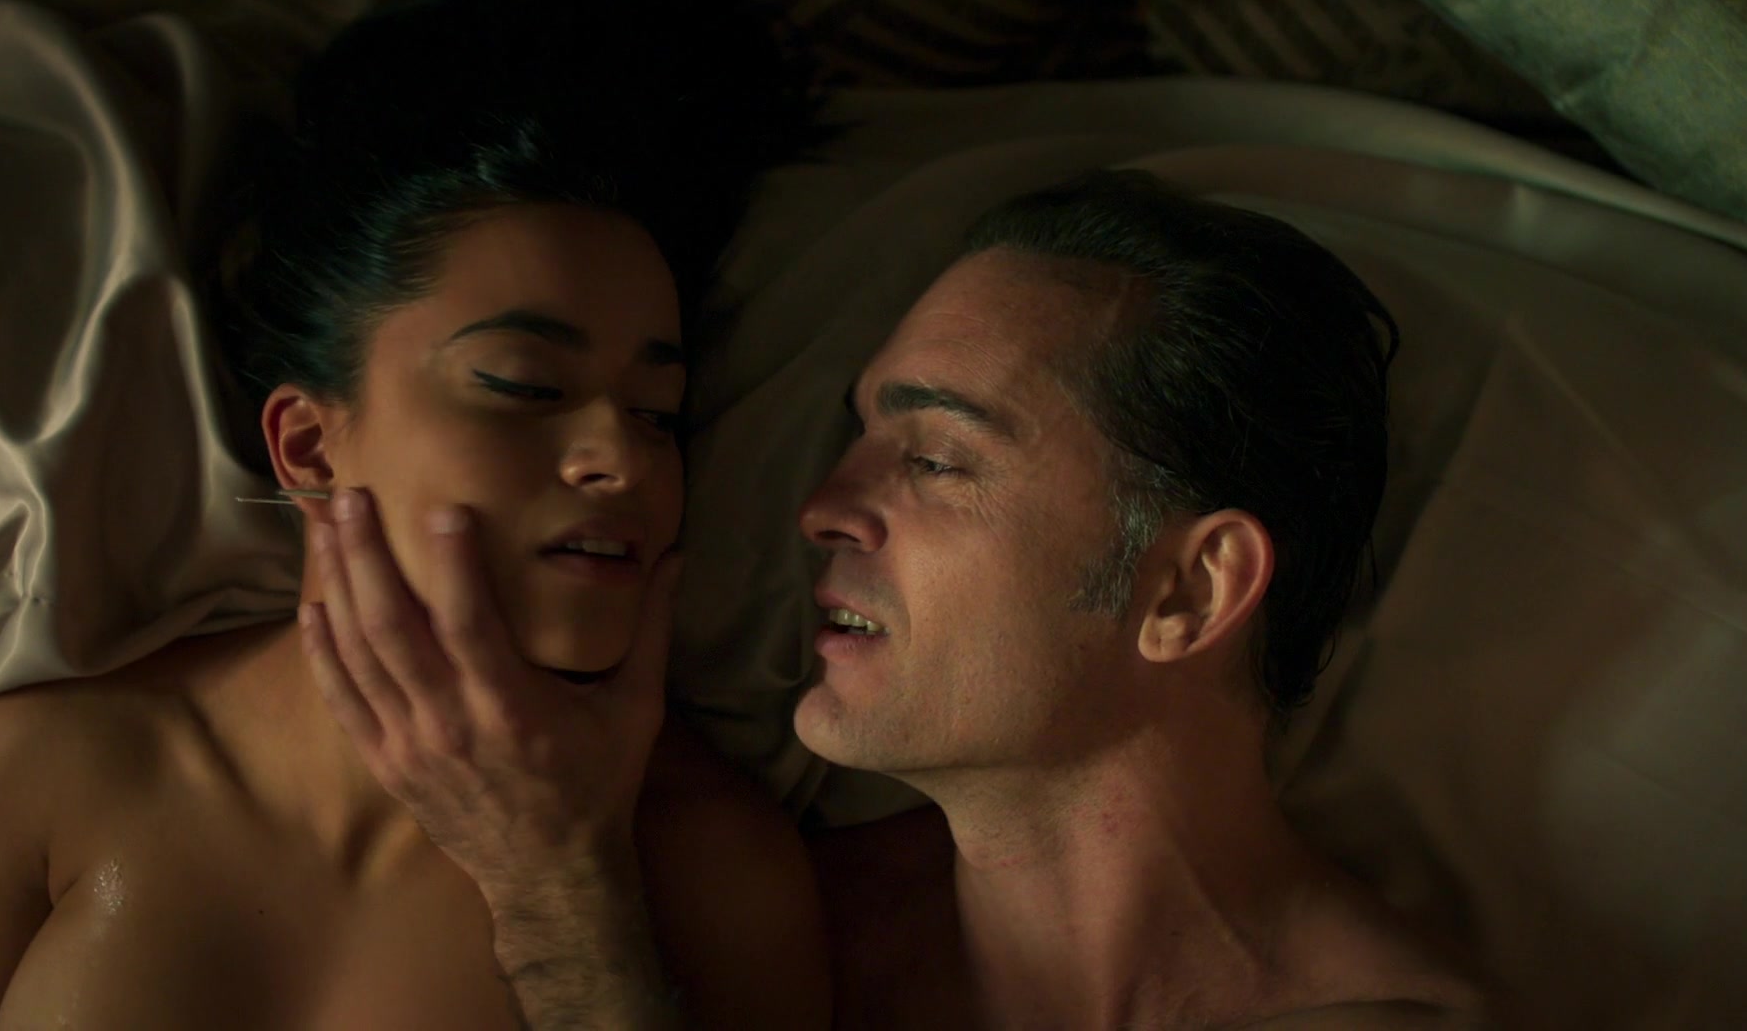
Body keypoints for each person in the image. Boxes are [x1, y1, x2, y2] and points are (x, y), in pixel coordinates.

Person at [293, 170, 1494, 1028]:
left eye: (934, 459)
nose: (822, 507)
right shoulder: (742, 916)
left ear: (1187, 587)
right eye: (858, 437)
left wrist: (555, 903)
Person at [0, 0, 828, 1030]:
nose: (623, 457)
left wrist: (562, 886)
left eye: (658, 411)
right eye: (524, 385)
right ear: (306, 444)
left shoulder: (710, 867)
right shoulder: (58, 762)